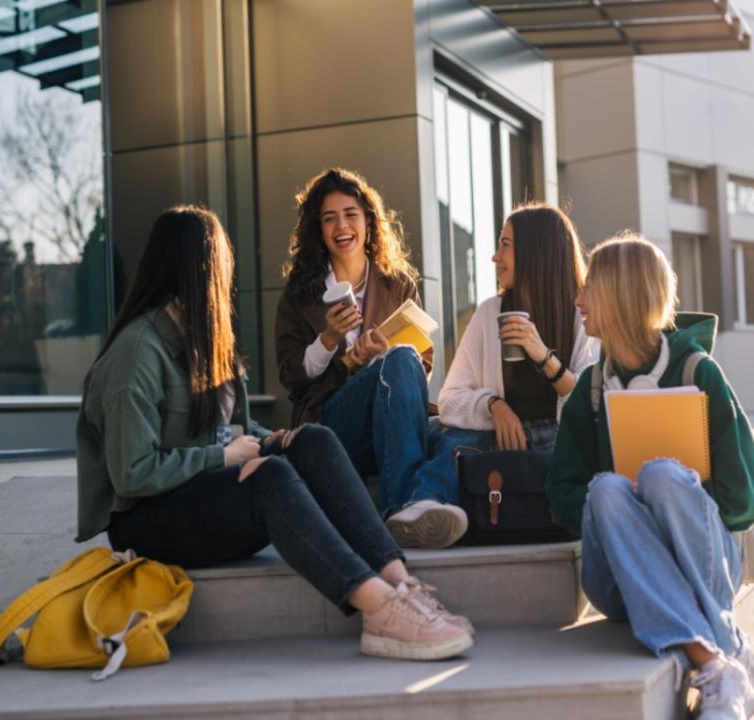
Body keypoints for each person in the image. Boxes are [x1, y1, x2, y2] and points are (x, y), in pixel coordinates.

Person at [75, 205, 473, 661]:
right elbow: (132, 474)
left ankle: (402, 585)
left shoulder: (202, 341)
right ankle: (379, 609)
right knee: (270, 478)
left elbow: (229, 430)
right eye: (222, 265)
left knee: (312, 439)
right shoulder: (136, 353)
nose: (227, 280)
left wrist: (270, 439)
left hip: (197, 492)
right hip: (147, 520)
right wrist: (224, 459)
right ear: (201, 269)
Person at [546, 231, 754, 719]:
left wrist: (677, 493)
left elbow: (745, 499)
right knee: (605, 489)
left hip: (703, 564)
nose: (578, 300)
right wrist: (629, 507)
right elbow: (560, 495)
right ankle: (728, 648)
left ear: (621, 295)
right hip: (624, 575)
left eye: (589, 288)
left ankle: (711, 664)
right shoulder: (591, 389)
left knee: (664, 476)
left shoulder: (698, 373)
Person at [387, 204, 599, 549]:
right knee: (455, 433)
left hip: (556, 443)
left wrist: (542, 354)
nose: (494, 256)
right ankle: (425, 509)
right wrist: (493, 404)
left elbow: (589, 406)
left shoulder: (581, 315)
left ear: (535, 250)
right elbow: (451, 400)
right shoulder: (489, 313)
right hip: (496, 443)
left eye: (505, 245)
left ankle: (433, 504)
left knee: (458, 437)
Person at [275, 168, 435, 519]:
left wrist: (382, 360)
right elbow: (291, 376)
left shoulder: (398, 285)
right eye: (329, 219)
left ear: (368, 221)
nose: (341, 227)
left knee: (402, 358)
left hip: (388, 413)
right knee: (398, 361)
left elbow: (421, 363)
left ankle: (404, 513)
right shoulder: (300, 293)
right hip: (332, 420)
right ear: (318, 230)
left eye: (350, 215)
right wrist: (328, 341)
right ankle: (405, 508)